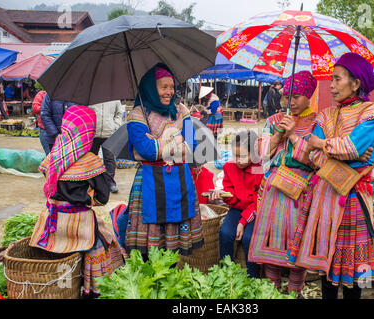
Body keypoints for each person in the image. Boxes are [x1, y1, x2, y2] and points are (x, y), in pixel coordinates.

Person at [287, 52, 374, 299]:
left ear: (356, 83)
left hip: (353, 201)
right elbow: (315, 157)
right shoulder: (326, 115)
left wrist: (322, 143)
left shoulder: (371, 112)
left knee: (355, 276)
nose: (331, 85)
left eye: (338, 79)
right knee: (326, 271)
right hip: (325, 199)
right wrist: (338, 151)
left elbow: (353, 147)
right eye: (331, 79)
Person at [29, 105, 124, 297]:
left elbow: (48, 189)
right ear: (88, 131)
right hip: (80, 226)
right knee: (108, 242)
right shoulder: (90, 161)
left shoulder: (53, 157)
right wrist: (89, 198)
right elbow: (103, 198)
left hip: (53, 222)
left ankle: (62, 286)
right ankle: (92, 289)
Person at [248, 71, 318, 295]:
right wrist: (279, 135)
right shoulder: (273, 121)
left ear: (309, 96)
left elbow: (316, 161)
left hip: (301, 192)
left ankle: (295, 291)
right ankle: (272, 291)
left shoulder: (317, 123)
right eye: (286, 96)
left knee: (296, 244)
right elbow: (259, 155)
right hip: (274, 191)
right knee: (272, 243)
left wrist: (295, 136)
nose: (290, 101)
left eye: (296, 96)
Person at [124, 63, 204, 259]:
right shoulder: (137, 114)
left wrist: (159, 143)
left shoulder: (181, 111)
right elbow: (145, 150)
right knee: (149, 243)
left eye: (171, 86)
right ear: (151, 88)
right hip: (150, 183)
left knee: (173, 245)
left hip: (179, 181)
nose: (170, 92)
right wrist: (177, 141)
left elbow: (192, 146)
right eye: (163, 87)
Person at [211, 130, 263, 278]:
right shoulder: (229, 167)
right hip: (237, 209)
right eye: (235, 155)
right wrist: (223, 195)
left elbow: (258, 201)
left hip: (255, 211)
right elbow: (230, 193)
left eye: (242, 156)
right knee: (225, 233)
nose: (238, 160)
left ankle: (253, 278)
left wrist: (243, 221)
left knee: (248, 238)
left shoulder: (260, 169)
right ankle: (226, 273)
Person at [89, 100, 124, 193]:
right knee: (90, 159)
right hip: (93, 134)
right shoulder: (92, 96)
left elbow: (119, 113)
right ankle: (91, 182)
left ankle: (110, 183)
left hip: (109, 133)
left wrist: (115, 125)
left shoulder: (114, 97)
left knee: (109, 159)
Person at [31, 90, 49, 155]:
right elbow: (35, 108)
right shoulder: (42, 94)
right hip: (45, 130)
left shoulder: (62, 96)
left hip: (60, 132)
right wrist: (47, 107)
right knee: (49, 156)